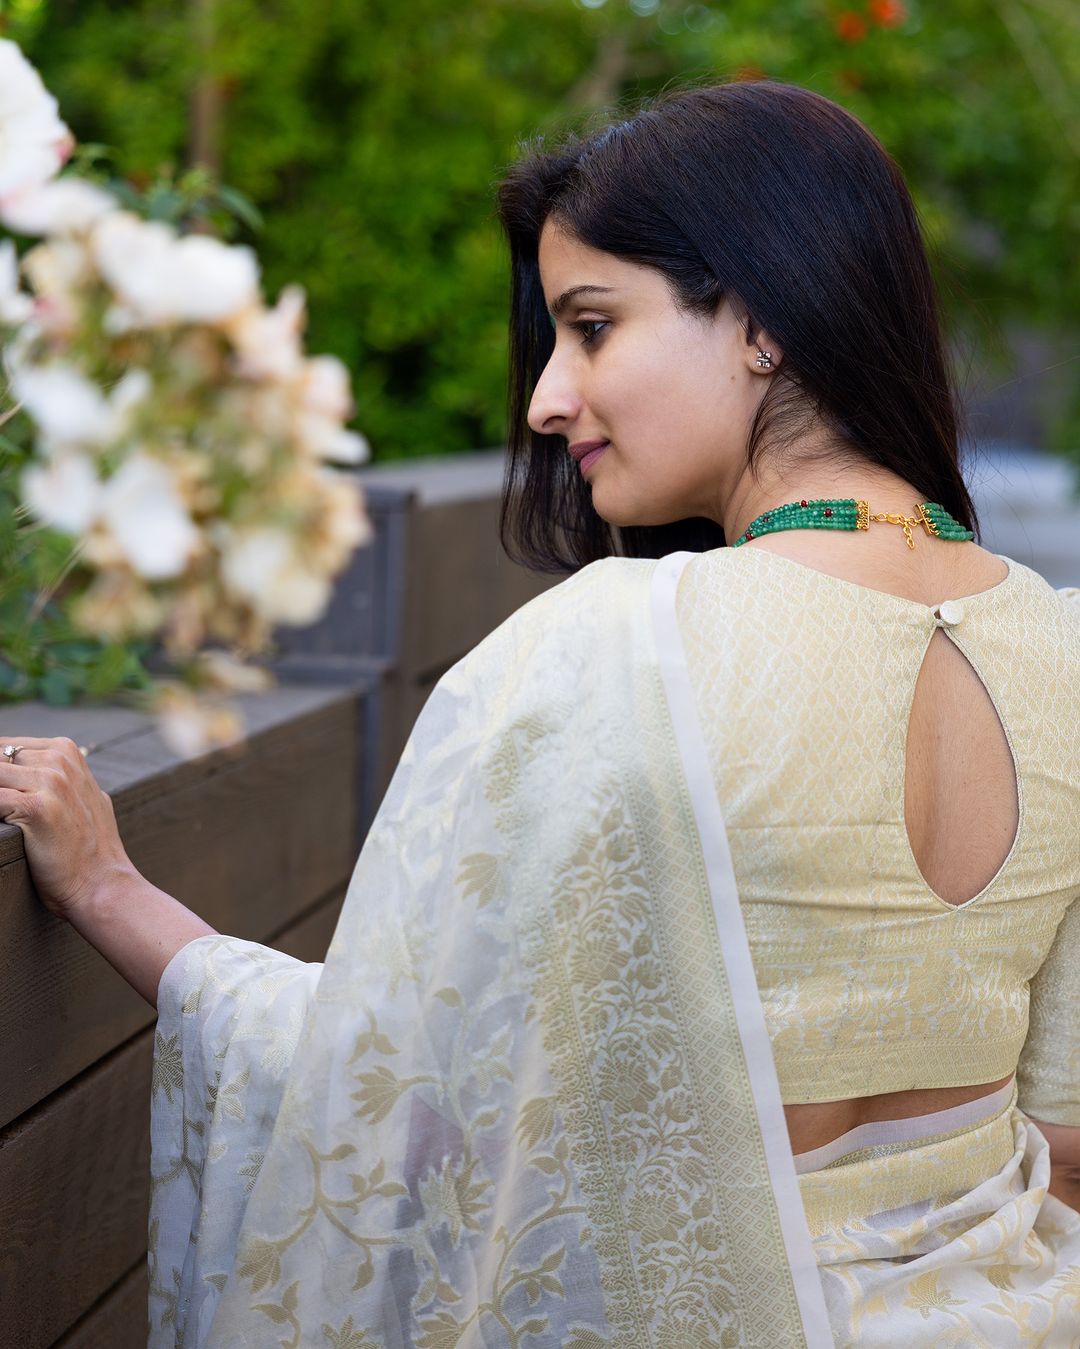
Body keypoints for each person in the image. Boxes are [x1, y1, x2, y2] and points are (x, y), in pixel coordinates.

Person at [1, 79, 1078, 1348]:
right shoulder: (1060, 647)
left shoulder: (613, 652)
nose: (546, 400)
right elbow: (1058, 1144)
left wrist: (112, 890)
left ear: (763, 322)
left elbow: (386, 1100)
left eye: (593, 324)